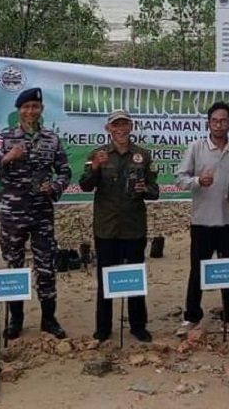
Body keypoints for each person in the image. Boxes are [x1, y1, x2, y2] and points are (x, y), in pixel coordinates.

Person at [0, 87, 72, 340]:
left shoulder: (51, 139)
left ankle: (49, 319)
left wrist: (54, 186)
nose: (31, 111)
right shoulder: (4, 138)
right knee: (14, 266)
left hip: (42, 211)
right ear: (18, 110)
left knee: (46, 266)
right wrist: (8, 158)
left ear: (41, 109)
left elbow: (65, 171)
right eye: (26, 107)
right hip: (13, 212)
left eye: (35, 106)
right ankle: (16, 320)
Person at [79, 109, 159, 342]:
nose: (121, 129)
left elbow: (155, 191)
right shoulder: (97, 154)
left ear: (131, 127)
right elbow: (84, 185)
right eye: (116, 125)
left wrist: (146, 189)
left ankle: (138, 325)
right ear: (108, 129)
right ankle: (103, 328)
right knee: (105, 279)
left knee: (135, 277)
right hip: (107, 228)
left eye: (125, 124)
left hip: (134, 227)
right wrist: (94, 167)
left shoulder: (143, 156)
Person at [175, 100, 229, 338]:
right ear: (208, 123)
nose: (219, 125)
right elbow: (180, 179)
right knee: (197, 271)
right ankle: (191, 316)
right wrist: (199, 181)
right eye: (215, 121)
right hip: (202, 222)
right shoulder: (197, 147)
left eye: (224, 121)